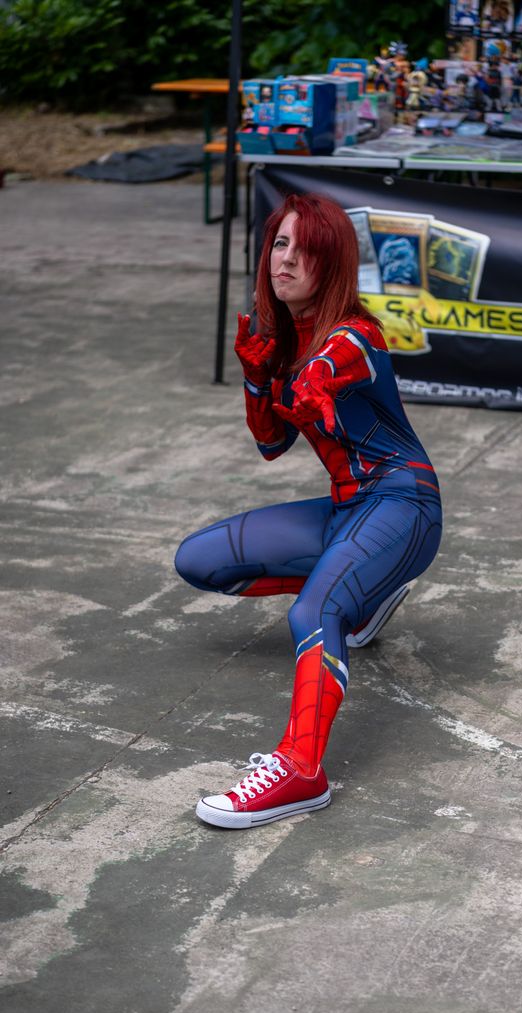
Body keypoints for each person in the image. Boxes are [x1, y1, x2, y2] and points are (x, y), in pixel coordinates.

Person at [175, 193, 443, 830]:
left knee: (312, 612)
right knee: (199, 561)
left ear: (335, 263)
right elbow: (272, 444)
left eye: (306, 248)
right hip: (347, 510)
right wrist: (256, 376)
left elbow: (333, 362)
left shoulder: (355, 335)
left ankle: (301, 769)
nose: (286, 259)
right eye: (280, 244)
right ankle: (366, 597)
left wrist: (309, 373)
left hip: (404, 503)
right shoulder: (286, 339)